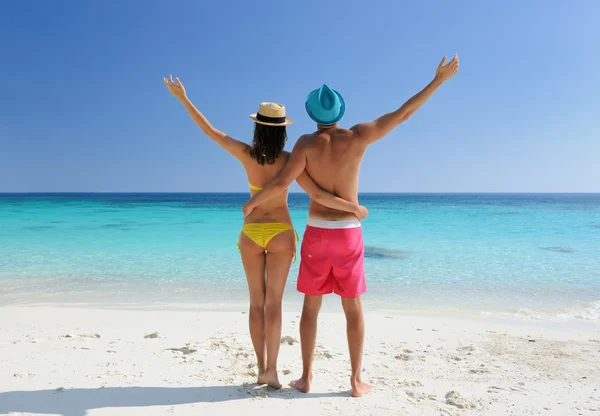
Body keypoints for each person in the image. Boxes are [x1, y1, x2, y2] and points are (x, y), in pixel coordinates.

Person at [242, 54, 459, 397]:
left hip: (317, 231)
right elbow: (403, 114)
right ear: (340, 112)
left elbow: (283, 182)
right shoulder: (359, 136)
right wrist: (437, 81)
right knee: (352, 306)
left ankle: (306, 377)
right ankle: (356, 381)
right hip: (347, 234)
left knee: (310, 308)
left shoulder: (305, 144)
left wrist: (254, 202)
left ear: (312, 115)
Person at [163, 76, 367, 389]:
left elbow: (210, 131)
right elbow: (318, 195)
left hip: (251, 233)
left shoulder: (246, 154)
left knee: (256, 303)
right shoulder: (291, 160)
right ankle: (273, 370)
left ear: (257, 127)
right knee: (275, 304)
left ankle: (261, 367)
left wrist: (184, 99)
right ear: (283, 129)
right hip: (281, 233)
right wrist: (352, 208)